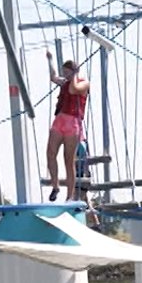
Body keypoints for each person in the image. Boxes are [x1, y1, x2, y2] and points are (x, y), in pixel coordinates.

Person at [45, 52, 90, 202]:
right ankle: (55, 186)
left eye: (67, 72)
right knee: (50, 153)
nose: (65, 75)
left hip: (73, 122)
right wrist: (50, 59)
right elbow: (53, 77)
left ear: (74, 71)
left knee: (68, 160)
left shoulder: (83, 83)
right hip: (60, 119)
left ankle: (69, 196)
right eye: (64, 72)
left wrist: (75, 76)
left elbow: (74, 89)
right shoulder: (65, 82)